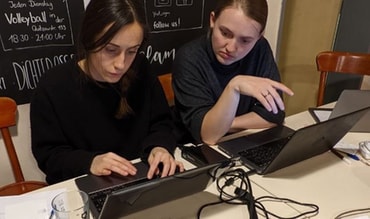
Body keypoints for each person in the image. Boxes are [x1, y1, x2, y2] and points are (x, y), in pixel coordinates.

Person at [30, 0, 184, 184]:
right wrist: (90, 162)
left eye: (132, 51)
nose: (121, 64)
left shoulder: (141, 69)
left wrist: (159, 147)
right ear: (89, 39)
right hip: (83, 185)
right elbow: (49, 156)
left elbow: (161, 123)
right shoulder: (54, 86)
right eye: (111, 50)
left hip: (142, 178)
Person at [172, 0, 294, 145]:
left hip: (244, 141)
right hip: (198, 151)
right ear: (212, 20)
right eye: (225, 33)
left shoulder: (260, 49)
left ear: (259, 36)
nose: (231, 48)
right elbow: (209, 135)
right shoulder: (189, 58)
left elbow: (274, 116)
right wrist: (234, 86)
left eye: (245, 41)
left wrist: (225, 124)